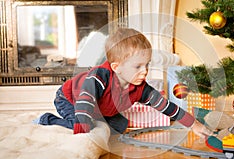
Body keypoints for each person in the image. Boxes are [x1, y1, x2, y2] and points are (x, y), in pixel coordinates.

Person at [34, 28, 212, 137]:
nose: (145, 71)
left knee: (120, 126)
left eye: (147, 64)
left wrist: (194, 124)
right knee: (84, 126)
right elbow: (84, 102)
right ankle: (47, 120)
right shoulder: (99, 77)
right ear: (116, 67)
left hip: (101, 108)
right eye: (138, 66)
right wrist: (83, 133)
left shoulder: (141, 88)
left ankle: (95, 122)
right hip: (70, 100)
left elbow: (166, 107)